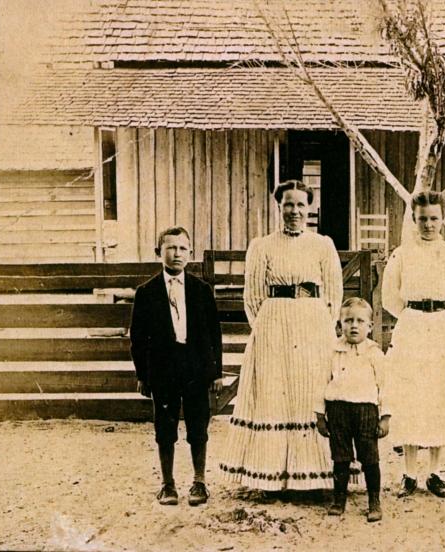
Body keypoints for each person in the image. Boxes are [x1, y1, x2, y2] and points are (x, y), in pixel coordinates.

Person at [219, 180, 343, 493]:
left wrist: (322, 327)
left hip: (313, 323)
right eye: (288, 204)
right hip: (273, 323)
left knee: (310, 393)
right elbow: (253, 296)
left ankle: (316, 477)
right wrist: (267, 327)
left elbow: (333, 292)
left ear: (310, 208)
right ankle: (268, 475)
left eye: (301, 205)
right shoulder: (261, 246)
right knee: (274, 394)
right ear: (279, 207)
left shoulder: (322, 244)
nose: (294, 211)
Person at [382, 190, 445, 499]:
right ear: (414, 220)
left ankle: (435, 472)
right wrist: (414, 316)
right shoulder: (402, 254)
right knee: (412, 397)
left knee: (439, 397)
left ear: (443, 219)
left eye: (434, 218)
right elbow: (389, 296)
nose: (428, 225)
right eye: (422, 219)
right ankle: (409, 473)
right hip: (412, 327)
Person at [130, 226, 223, 506]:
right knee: (165, 427)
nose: (177, 253)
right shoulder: (146, 293)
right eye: (170, 248)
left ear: (190, 252)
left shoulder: (201, 290)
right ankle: (168, 485)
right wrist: (142, 376)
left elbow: (213, 335)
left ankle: (199, 482)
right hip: (163, 370)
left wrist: (216, 372)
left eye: (182, 248)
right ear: (159, 252)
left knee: (198, 424)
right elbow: (137, 338)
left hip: (195, 369)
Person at [314, 297, 390, 522]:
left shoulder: (374, 353)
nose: (354, 326)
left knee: (370, 458)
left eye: (359, 321)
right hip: (338, 411)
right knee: (341, 457)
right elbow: (320, 383)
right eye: (348, 321)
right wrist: (320, 415)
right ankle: (339, 499)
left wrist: (385, 417)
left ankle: (374, 501)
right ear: (339, 325)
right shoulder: (332, 351)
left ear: (370, 326)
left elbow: (386, 386)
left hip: (366, 410)